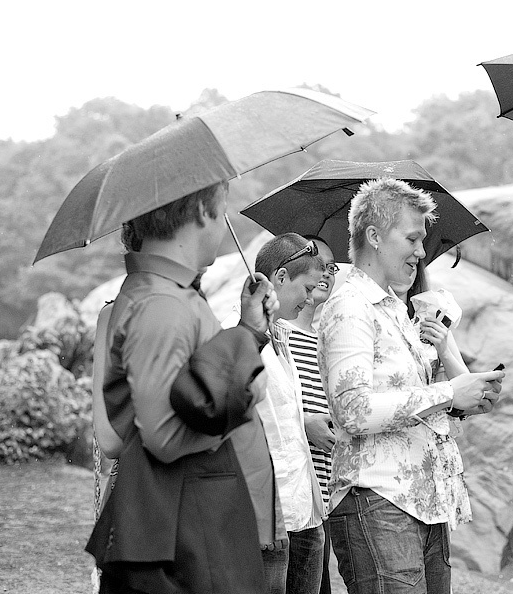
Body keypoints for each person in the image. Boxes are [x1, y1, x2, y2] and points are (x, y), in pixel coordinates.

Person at [85, 181, 284, 594]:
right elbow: (163, 438)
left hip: (200, 518)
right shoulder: (162, 304)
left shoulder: (175, 295)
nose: (224, 223)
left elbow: (200, 385)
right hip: (188, 531)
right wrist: (246, 396)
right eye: (222, 209)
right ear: (201, 212)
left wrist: (250, 332)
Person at [317, 178, 504, 594]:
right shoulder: (350, 308)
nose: (421, 252)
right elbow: (353, 411)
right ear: (374, 237)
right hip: (378, 501)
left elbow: (416, 402)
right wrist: (449, 393)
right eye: (413, 239)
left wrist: (463, 391)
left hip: (425, 504)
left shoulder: (397, 311)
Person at [250, 233, 328, 594]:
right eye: (307, 288)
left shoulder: (281, 335)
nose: (311, 299)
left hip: (305, 510)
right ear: (280, 277)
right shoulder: (239, 337)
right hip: (269, 512)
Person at [282, 234, 338, 594]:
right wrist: (303, 426)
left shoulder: (329, 342)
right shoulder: (275, 333)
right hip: (285, 497)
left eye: (331, 267)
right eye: (317, 264)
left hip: (322, 499)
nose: (325, 273)